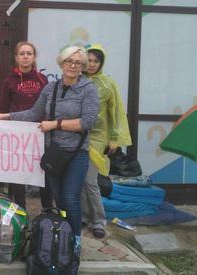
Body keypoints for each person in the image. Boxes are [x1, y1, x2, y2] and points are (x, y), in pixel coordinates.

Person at [0, 45, 99, 266]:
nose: (73, 66)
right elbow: (33, 113)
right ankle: (61, 240)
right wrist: (6, 115)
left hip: (76, 153)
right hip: (52, 154)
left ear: (83, 67)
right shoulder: (51, 88)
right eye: (69, 61)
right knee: (59, 199)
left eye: (78, 63)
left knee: (70, 199)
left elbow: (88, 122)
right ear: (61, 63)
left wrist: (55, 124)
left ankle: (75, 243)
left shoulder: (89, 89)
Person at [81, 44, 132, 239]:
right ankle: (85, 217)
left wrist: (114, 139)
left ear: (101, 63)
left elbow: (116, 112)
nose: (92, 65)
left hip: (96, 138)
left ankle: (99, 222)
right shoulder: (78, 81)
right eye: (89, 60)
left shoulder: (107, 84)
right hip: (76, 135)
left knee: (90, 181)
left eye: (96, 61)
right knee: (79, 181)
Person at [0, 41, 52, 210]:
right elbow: (2, 108)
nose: (25, 56)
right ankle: (20, 210)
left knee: (43, 172)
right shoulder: (9, 81)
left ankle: (47, 209)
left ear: (34, 57)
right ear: (16, 57)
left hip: (39, 132)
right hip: (17, 133)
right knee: (18, 173)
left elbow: (48, 107)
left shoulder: (43, 80)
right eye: (22, 53)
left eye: (29, 53)